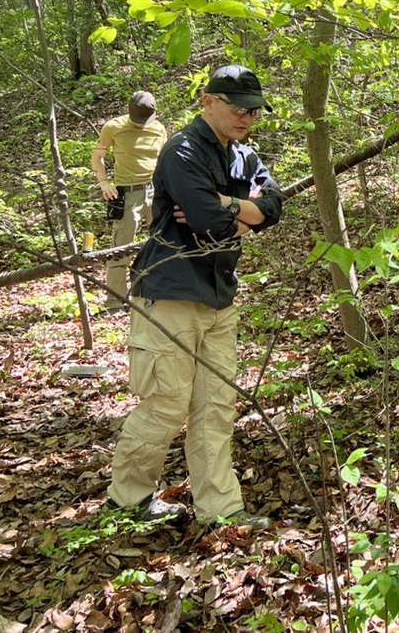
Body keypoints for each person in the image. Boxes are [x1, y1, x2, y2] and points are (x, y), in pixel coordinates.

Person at [105, 65, 283, 529]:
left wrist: (229, 207)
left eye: (254, 110)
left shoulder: (243, 154)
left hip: (220, 294)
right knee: (165, 404)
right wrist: (242, 215)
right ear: (208, 101)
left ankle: (220, 510)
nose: (246, 117)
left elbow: (273, 205)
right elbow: (206, 221)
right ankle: (127, 500)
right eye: (237, 107)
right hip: (171, 292)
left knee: (216, 407)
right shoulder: (182, 149)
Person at [90, 91, 168, 315]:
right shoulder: (113, 127)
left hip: (156, 191)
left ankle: (159, 294)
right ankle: (115, 301)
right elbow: (97, 157)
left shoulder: (158, 128)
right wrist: (104, 183)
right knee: (120, 248)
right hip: (127, 192)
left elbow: (165, 159)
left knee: (162, 243)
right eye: (138, 118)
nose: (142, 124)